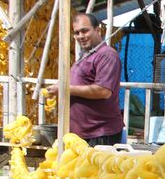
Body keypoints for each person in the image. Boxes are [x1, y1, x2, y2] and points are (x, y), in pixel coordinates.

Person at [47, 13, 123, 146]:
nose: (81, 36)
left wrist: (66, 89)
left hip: (100, 133)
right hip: (81, 133)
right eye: (77, 33)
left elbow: (103, 91)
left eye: (85, 31)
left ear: (97, 30)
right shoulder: (85, 55)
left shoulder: (107, 55)